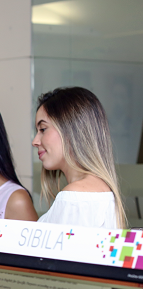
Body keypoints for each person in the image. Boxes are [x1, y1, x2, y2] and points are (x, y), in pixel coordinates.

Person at [33, 87, 125, 229]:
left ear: (70, 130)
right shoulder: (100, 193)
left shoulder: (75, 198)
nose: (35, 141)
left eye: (43, 129)